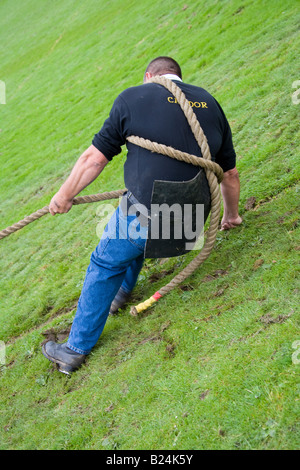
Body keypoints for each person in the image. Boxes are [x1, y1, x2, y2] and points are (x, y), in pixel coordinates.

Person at [42, 56, 242, 374]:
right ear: (179, 78)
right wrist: (231, 216)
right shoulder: (208, 101)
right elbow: (229, 174)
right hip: (191, 229)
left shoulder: (133, 97)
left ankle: (74, 349)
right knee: (132, 209)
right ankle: (120, 295)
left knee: (106, 261)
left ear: (149, 76)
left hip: (152, 224)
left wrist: (63, 196)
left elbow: (94, 159)